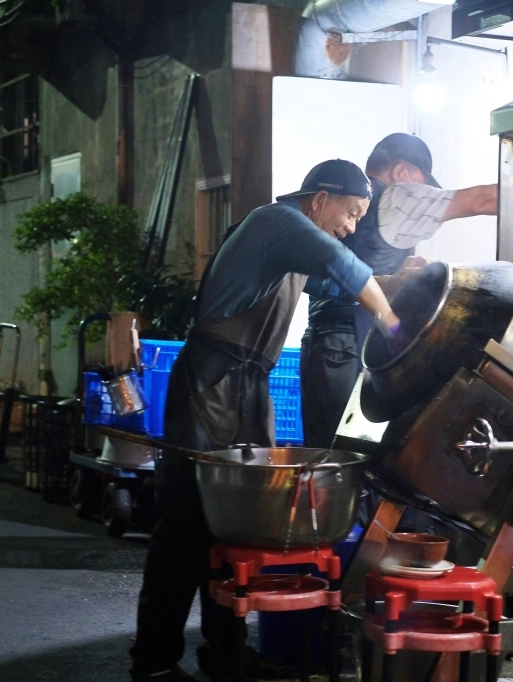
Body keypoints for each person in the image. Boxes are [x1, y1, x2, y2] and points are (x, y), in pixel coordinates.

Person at [129, 160, 399, 682]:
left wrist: (399, 278)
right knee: (187, 523)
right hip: (211, 383)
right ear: (320, 199)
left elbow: (338, 286)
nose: (352, 226)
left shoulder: (298, 243)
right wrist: (395, 323)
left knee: (236, 526)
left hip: (250, 388)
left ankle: (224, 653)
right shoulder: (278, 223)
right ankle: (154, 661)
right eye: (351, 212)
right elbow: (344, 266)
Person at [300, 132, 498, 448]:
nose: (423, 193)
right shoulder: (395, 198)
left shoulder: (349, 205)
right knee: (350, 459)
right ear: (400, 172)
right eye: (421, 183)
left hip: (324, 344)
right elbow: (482, 199)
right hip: (352, 348)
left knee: (327, 455)